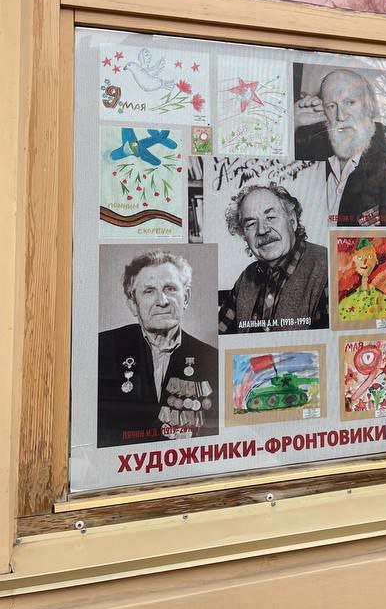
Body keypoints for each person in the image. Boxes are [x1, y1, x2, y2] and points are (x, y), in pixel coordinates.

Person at [98, 251, 218, 447]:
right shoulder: (102, 349)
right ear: (133, 305)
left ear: (186, 298)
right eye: (149, 291)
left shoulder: (212, 359)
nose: (162, 301)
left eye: (170, 289)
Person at [219, 183, 329, 334]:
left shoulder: (328, 268)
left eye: (270, 217)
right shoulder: (246, 278)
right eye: (251, 223)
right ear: (244, 235)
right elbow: (219, 337)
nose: (262, 230)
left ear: (292, 221)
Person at [294, 68, 386, 226]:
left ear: (369, 105)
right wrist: (292, 123)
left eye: (350, 102)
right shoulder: (312, 149)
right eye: (332, 106)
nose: (340, 116)